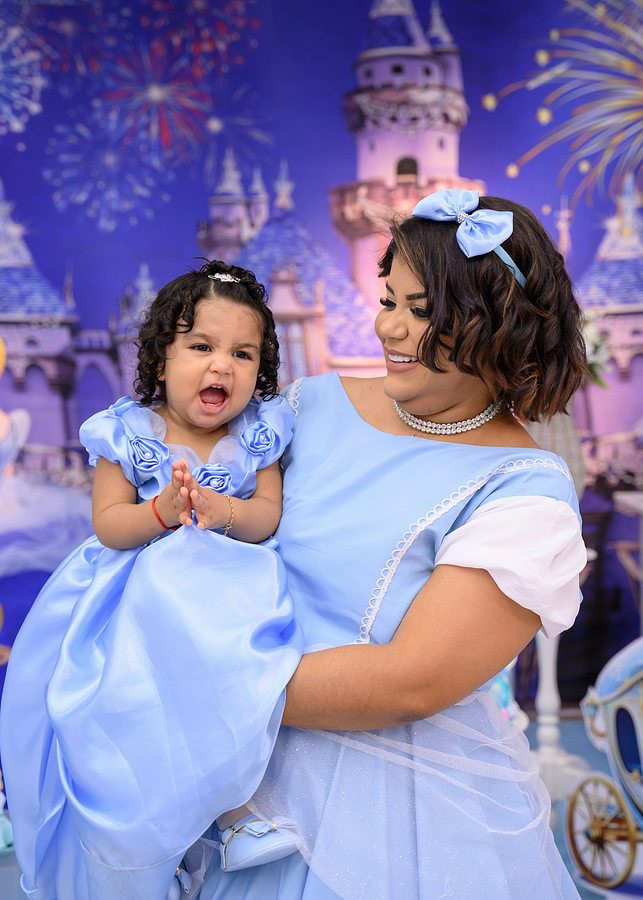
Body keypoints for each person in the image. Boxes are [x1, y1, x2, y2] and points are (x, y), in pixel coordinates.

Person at [188, 189, 587, 899]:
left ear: (496, 322)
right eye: (388, 300)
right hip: (238, 781)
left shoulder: (524, 492)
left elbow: (412, 681)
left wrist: (198, 680)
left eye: (422, 310)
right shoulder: (309, 406)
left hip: (403, 816)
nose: (388, 328)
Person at [0, 260, 303, 900]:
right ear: (160, 358)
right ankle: (147, 854)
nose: (222, 366)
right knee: (134, 713)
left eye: (242, 353)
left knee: (233, 697)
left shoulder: (259, 434)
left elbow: (267, 516)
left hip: (232, 590)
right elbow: (110, 525)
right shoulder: (128, 432)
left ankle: (235, 813)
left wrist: (222, 511)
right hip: (140, 595)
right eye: (201, 347)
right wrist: (162, 512)